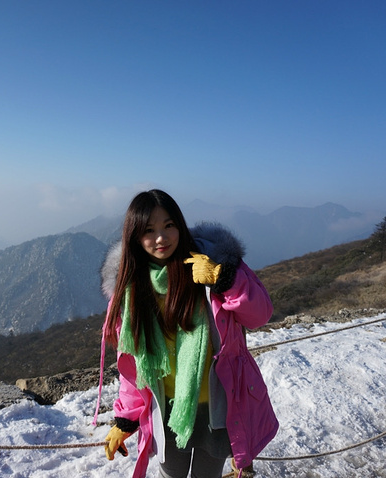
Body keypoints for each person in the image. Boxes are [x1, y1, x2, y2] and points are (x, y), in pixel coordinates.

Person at [94, 189, 278, 478]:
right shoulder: (131, 291)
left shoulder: (212, 265)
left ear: (180, 225)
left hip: (215, 409)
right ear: (134, 236)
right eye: (149, 230)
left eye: (169, 226)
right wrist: (125, 419)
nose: (161, 238)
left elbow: (259, 314)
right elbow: (134, 366)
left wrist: (223, 280)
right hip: (167, 410)